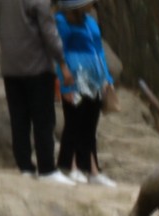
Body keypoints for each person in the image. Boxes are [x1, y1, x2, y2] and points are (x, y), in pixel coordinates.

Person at [0, 0, 70, 183]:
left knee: (19, 119)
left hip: (10, 67)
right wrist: (62, 62)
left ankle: (25, 166)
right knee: (43, 119)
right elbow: (49, 34)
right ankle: (47, 168)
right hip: (37, 67)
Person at [53, 0, 115, 187]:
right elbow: (59, 52)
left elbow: (99, 51)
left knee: (90, 124)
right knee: (74, 122)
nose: (92, 4)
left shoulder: (90, 22)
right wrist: (64, 85)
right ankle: (70, 166)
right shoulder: (62, 22)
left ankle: (92, 170)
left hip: (95, 78)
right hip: (75, 78)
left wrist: (107, 78)